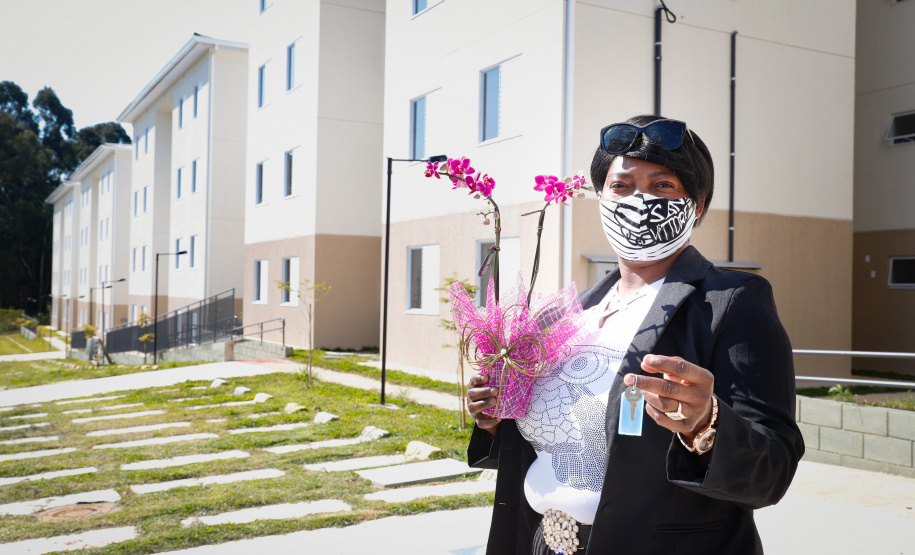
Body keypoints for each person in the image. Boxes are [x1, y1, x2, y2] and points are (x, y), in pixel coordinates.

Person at [466, 114, 804, 554]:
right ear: (602, 198)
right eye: (621, 186)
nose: (638, 201)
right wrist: (496, 423)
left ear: (697, 205)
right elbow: (558, 445)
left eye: (663, 186)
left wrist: (707, 424)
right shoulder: (567, 314)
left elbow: (771, 471)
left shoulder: (732, 301)